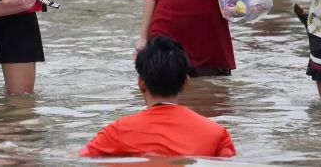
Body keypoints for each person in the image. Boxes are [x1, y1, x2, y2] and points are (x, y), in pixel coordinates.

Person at [80, 36, 236, 158]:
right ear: (185, 83)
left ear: (141, 84)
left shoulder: (116, 132)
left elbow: (79, 159)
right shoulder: (215, 134)